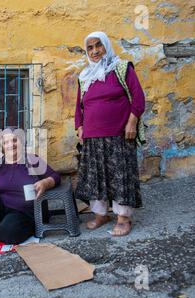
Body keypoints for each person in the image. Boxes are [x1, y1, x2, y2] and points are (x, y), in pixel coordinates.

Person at [74, 31, 145, 236]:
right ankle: (101, 214)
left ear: (106, 46)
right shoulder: (84, 76)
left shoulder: (122, 68)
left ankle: (123, 218)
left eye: (99, 45)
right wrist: (80, 127)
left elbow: (138, 99)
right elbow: (79, 106)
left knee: (120, 176)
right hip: (92, 137)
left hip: (119, 135)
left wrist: (132, 122)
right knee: (96, 177)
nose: (95, 51)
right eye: (90, 47)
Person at [0, 128, 61, 244]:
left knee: (8, 232)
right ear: (2, 147)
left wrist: (45, 183)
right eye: (6, 142)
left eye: (14, 140)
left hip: (23, 212)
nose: (10, 145)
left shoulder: (32, 159)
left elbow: (55, 176)